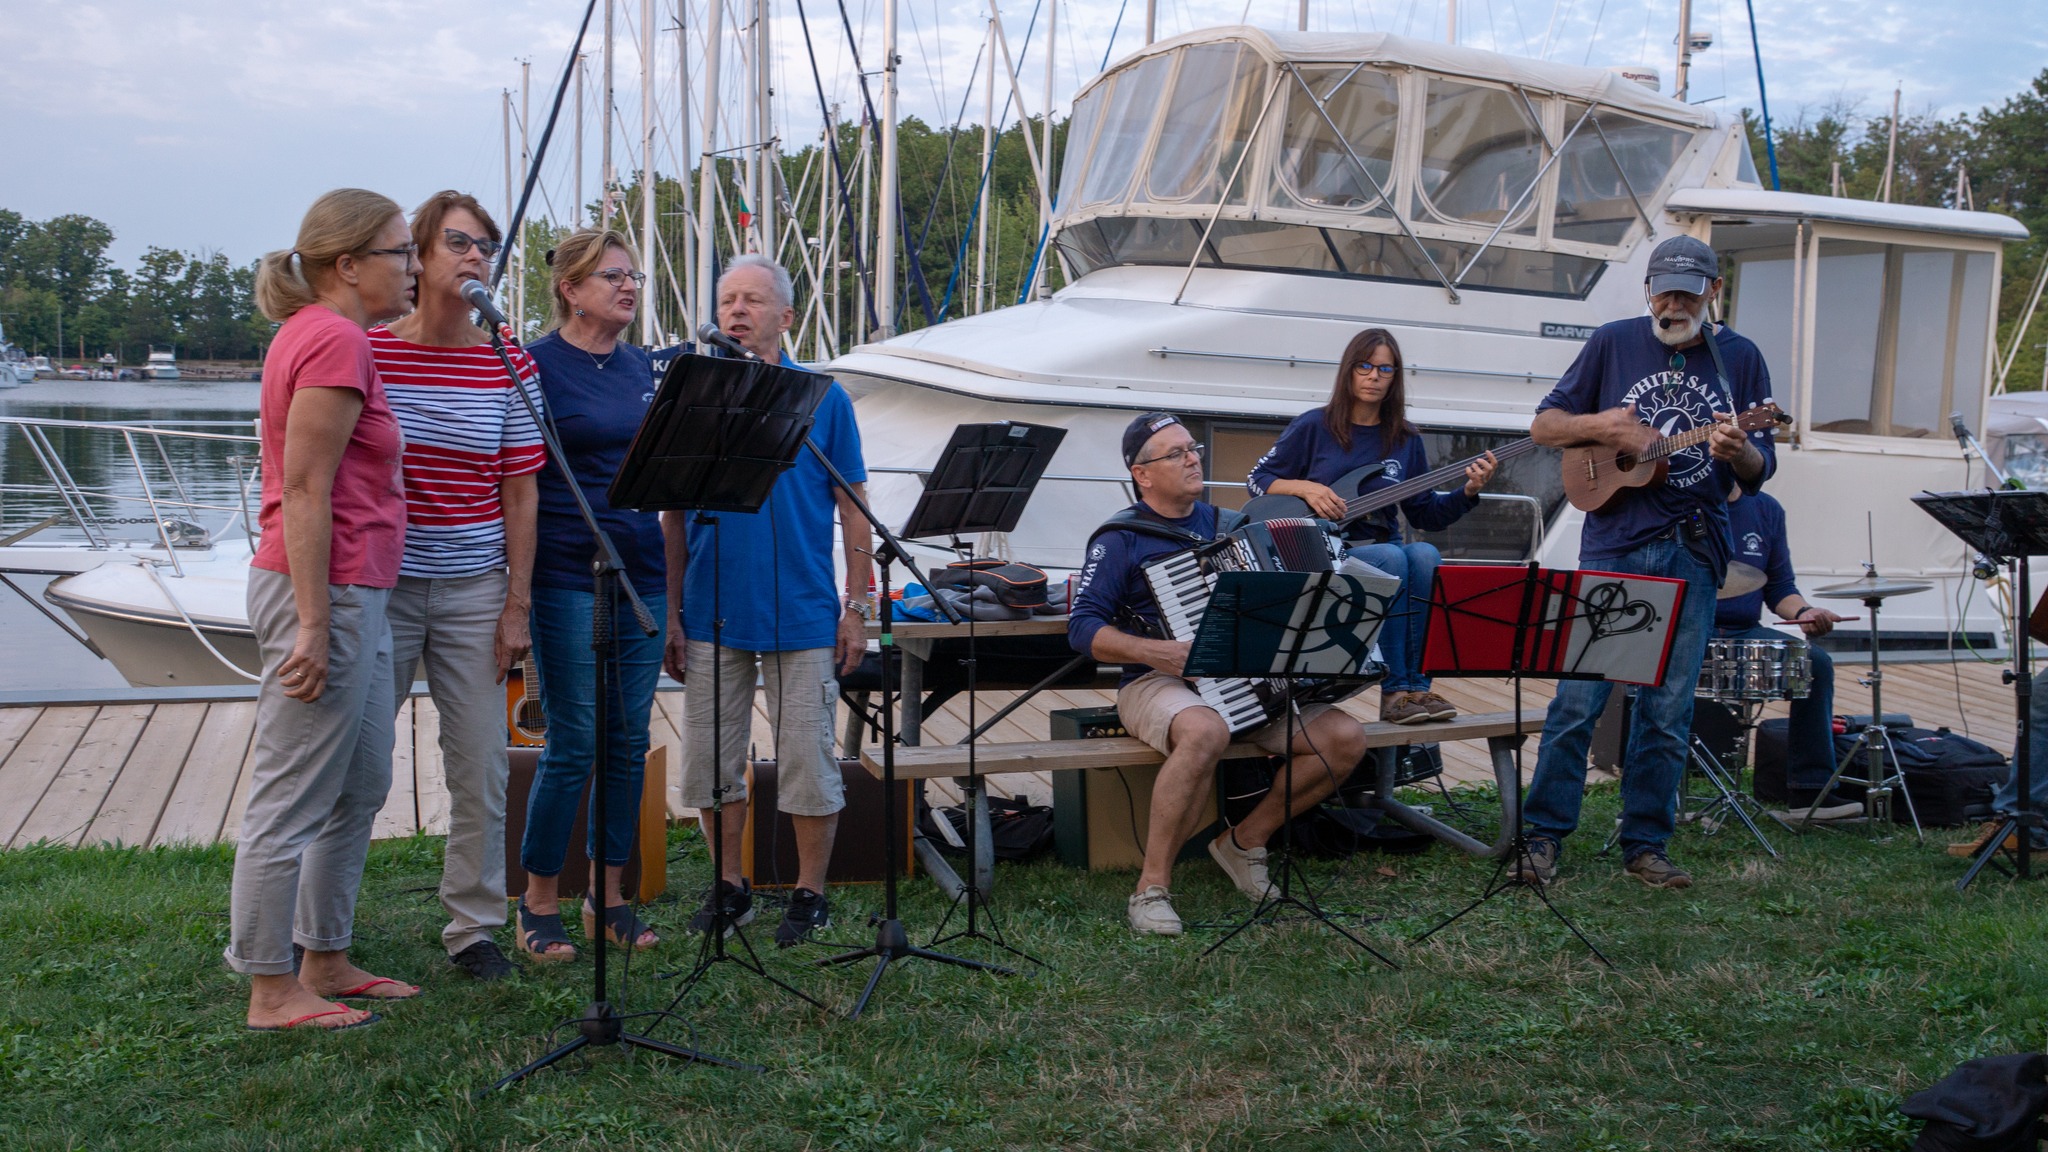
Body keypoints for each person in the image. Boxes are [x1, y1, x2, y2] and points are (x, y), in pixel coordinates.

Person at [1517, 235, 1777, 891]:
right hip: (1616, 542)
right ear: (1648, 290)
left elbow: (1760, 470)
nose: (1673, 305)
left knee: (1667, 708)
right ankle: (1542, 835)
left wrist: (1739, 451)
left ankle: (1646, 845)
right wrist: (1605, 428)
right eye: (1663, 292)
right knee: (1579, 700)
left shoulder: (1740, 358)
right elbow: (1545, 426)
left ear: (1714, 291)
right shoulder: (1613, 342)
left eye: (1687, 293)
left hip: (1694, 546)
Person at [226, 189, 420, 1031]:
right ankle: (271, 988)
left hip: (356, 592)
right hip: (325, 592)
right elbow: (305, 491)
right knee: (292, 795)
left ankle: (325, 954)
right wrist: (312, 626)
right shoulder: (334, 339)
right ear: (347, 265)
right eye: (401, 253)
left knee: (361, 780)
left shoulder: (339, 337)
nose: (415, 268)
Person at [1070, 411, 1370, 936]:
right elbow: (1081, 627)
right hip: (1155, 680)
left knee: (1344, 738)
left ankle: (1244, 841)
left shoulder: (1233, 526)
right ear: (1142, 474)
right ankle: (1151, 888)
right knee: (1206, 730)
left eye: (1193, 449)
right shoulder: (1120, 538)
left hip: (1249, 684)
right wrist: (1158, 652)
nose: (1193, 459)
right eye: (1176, 453)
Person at [665, 254, 872, 948]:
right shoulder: (692, 397)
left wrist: (858, 607)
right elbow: (672, 516)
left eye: (752, 300)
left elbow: (854, 508)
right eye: (727, 299)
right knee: (709, 763)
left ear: (785, 317)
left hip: (804, 612)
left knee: (808, 761)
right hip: (711, 611)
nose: (736, 311)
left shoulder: (824, 398)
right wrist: (671, 613)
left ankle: (810, 893)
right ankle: (730, 886)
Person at [370, 191, 547, 981]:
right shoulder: (370, 351)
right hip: (382, 585)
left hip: (476, 586)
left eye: (486, 245)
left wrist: (517, 602)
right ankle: (320, 929)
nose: (477, 256)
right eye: (458, 242)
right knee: (358, 762)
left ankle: (473, 927)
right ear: (417, 255)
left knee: (480, 765)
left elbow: (521, 490)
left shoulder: (509, 360)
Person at [516, 228, 671, 961]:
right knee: (574, 742)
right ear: (570, 289)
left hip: (643, 572)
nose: (628, 285)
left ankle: (606, 898)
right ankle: (538, 900)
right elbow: (517, 476)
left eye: (632, 275)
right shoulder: (534, 366)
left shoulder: (643, 367)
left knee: (628, 742)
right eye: (612, 276)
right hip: (567, 575)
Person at [1248, 327, 1496, 725]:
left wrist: (1468, 491)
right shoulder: (1314, 426)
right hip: (1327, 552)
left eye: (1385, 369)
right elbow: (1257, 479)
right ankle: (1396, 692)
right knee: (1392, 558)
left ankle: (1418, 688)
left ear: (1395, 377)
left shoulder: (1405, 439)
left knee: (1425, 554)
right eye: (1364, 366)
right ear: (1349, 370)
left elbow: (1425, 515)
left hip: (1383, 546)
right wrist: (1307, 488)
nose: (1374, 376)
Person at [1714, 487, 1846, 805]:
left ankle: (1810, 791)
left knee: (1815, 663)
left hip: (1744, 631)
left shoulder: (1766, 508)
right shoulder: (1681, 500)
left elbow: (1780, 586)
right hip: (1687, 629)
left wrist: (1804, 613)